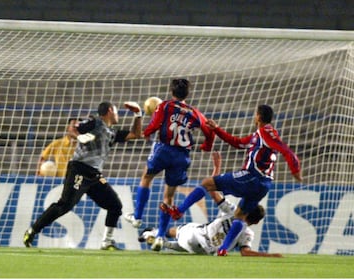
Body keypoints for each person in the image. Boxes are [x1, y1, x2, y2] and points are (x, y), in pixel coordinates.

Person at [166, 104, 303, 256]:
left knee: (207, 183)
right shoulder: (258, 135)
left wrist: (295, 169)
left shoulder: (266, 132)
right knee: (239, 216)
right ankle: (223, 249)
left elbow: (286, 150)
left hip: (252, 177)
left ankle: (179, 211)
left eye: (255, 114)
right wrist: (217, 129)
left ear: (258, 116)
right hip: (264, 185)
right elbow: (237, 143)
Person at [23, 101, 143, 250]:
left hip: (94, 174)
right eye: (117, 112)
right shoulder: (95, 122)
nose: (118, 115)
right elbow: (73, 127)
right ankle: (32, 230)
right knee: (65, 205)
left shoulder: (112, 132)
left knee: (115, 205)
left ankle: (107, 241)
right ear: (110, 110)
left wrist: (138, 114)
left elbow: (136, 134)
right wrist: (79, 136)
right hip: (79, 169)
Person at [124, 78, 215, 251]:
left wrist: (148, 132)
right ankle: (159, 237)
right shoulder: (194, 113)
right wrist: (206, 145)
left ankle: (137, 216)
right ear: (187, 94)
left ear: (171, 92)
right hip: (181, 156)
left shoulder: (165, 106)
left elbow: (156, 123)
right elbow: (208, 131)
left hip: (163, 149)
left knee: (146, 177)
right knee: (169, 196)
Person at [138, 203, 282, 257]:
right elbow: (245, 252)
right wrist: (270, 256)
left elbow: (214, 193)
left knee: (181, 230)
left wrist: (217, 168)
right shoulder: (248, 233)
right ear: (256, 222)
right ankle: (164, 243)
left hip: (194, 234)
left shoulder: (232, 210)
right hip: (203, 251)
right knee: (189, 246)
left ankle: (154, 233)